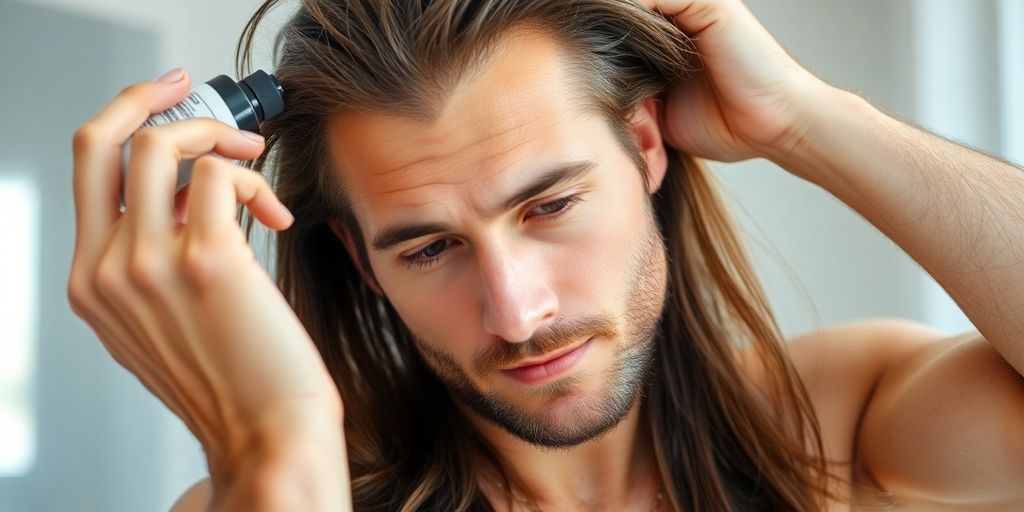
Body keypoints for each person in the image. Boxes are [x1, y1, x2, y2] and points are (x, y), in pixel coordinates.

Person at [67, 0, 1024, 510]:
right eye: (431, 248)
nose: (517, 312)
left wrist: (808, 120)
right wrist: (277, 443)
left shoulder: (832, 433)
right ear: (361, 262)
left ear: (644, 144)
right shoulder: (274, 491)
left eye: (552, 205)